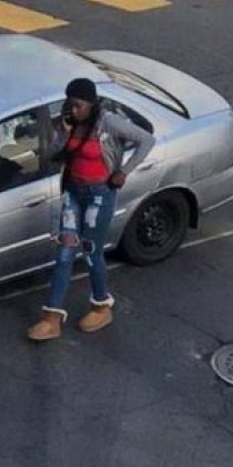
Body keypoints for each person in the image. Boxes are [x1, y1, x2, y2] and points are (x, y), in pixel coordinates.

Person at [27, 77, 155, 342]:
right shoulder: (70, 125)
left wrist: (124, 171)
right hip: (74, 192)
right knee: (64, 251)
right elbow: (53, 154)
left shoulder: (107, 123)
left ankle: (101, 304)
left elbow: (146, 140)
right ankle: (51, 317)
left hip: (99, 194)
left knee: (90, 250)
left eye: (78, 106)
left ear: (92, 104)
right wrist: (62, 133)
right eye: (70, 105)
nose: (73, 110)